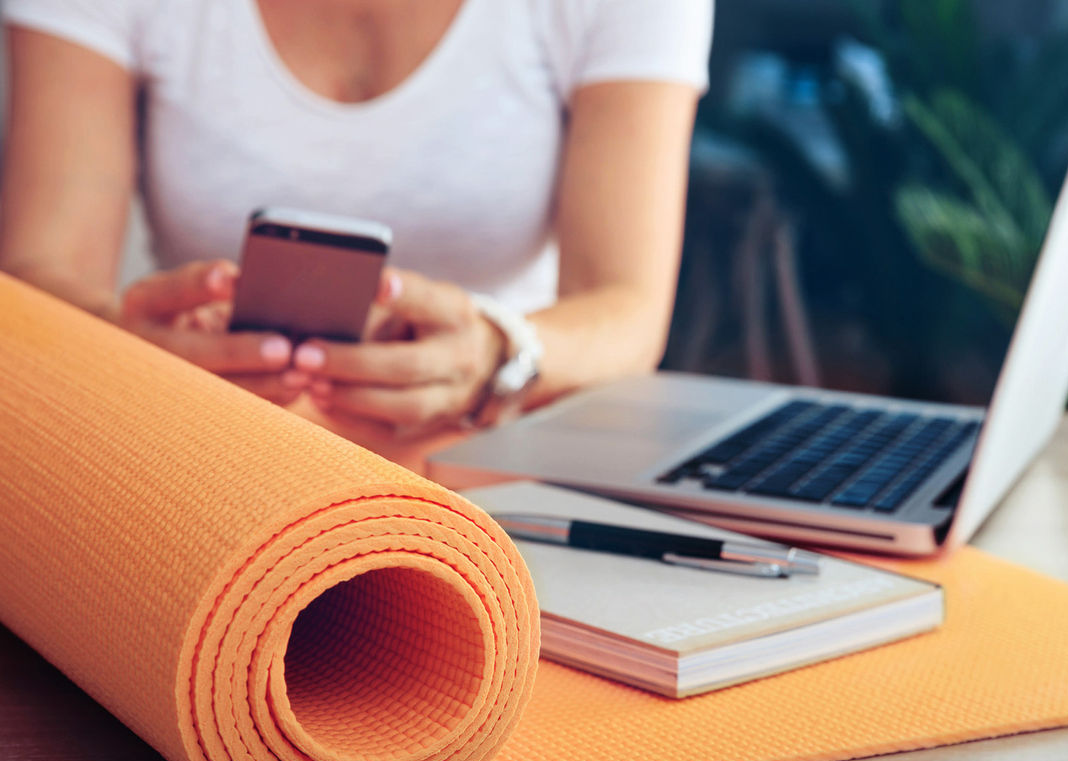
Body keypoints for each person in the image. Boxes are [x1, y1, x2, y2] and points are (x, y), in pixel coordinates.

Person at [0, 0, 712, 437]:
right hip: (203, 441)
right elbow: (36, 274)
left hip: (494, 452)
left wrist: (498, 350)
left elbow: (627, 308)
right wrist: (128, 338)